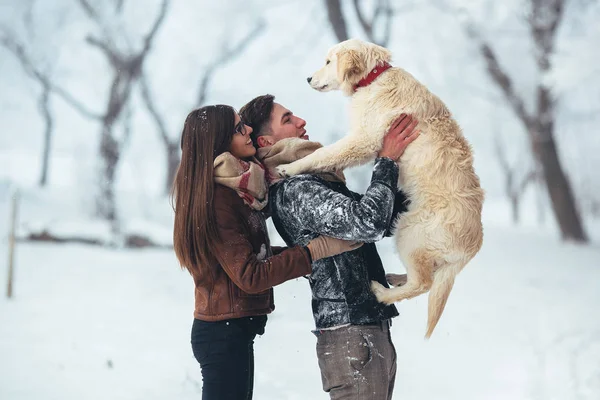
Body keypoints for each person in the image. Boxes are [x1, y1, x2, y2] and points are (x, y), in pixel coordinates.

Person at [171, 104, 361, 400]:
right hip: (222, 335)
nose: (247, 129)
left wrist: (307, 254)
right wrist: (313, 252)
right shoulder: (218, 200)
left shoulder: (235, 190)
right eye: (237, 128)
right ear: (219, 142)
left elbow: (248, 255)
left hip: (230, 332)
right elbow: (251, 275)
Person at [239, 95, 419, 400]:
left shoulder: (315, 180)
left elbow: (376, 221)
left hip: (363, 331)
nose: (301, 121)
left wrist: (431, 197)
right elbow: (367, 222)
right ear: (266, 140)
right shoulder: (296, 189)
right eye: (288, 119)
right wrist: (386, 161)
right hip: (352, 336)